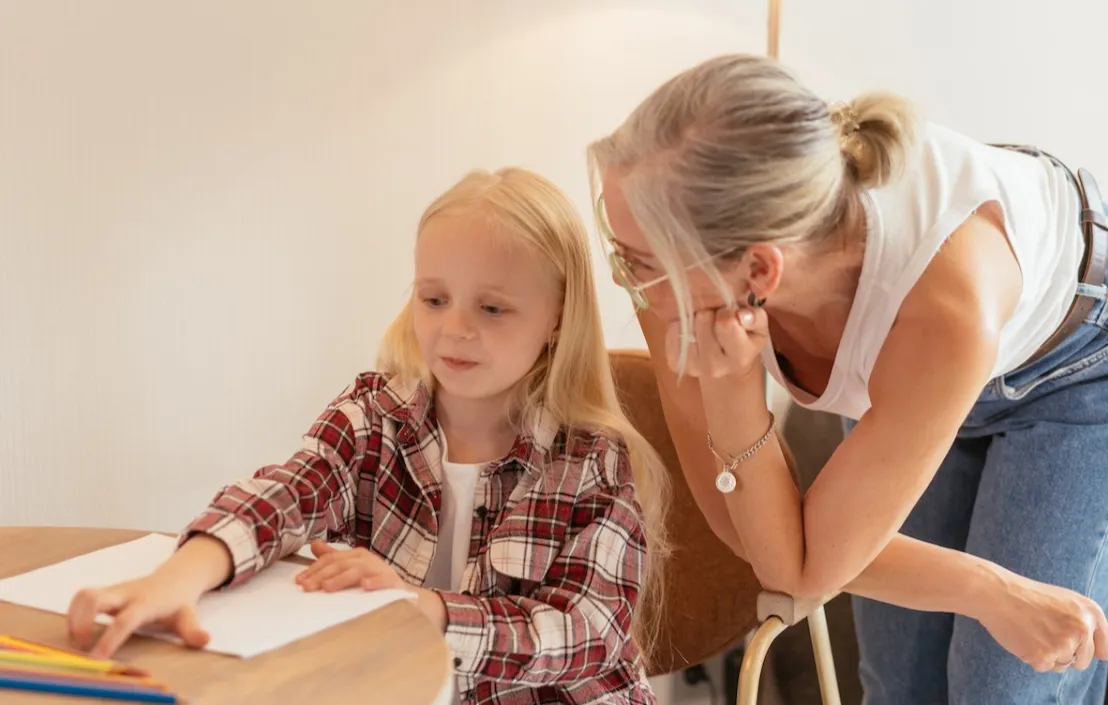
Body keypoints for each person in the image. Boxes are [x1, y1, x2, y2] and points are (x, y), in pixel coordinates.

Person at [586, 53, 1108, 705]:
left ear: (759, 271)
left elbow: (804, 558)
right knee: (899, 686)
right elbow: (773, 552)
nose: (628, 281)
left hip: (1085, 361)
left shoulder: (944, 307)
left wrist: (993, 596)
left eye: (639, 262)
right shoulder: (674, 275)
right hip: (923, 368)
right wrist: (989, 586)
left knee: (1002, 689)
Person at [64, 168, 670, 705]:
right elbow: (286, 494)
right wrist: (179, 578)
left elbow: (589, 630)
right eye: (434, 299)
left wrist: (420, 608)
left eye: (492, 309)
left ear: (557, 317)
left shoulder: (590, 459)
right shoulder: (373, 415)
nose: (454, 329)